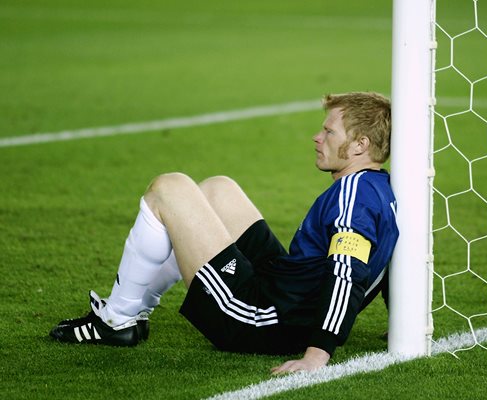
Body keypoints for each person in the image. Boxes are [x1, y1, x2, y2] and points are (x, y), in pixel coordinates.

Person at [50, 91, 399, 374]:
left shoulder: (353, 196)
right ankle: (135, 310)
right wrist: (401, 319)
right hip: (289, 291)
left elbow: (346, 272)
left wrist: (318, 353)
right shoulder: (380, 187)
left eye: (329, 132)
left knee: (168, 188)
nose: (317, 137)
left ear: (359, 145)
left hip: (262, 318)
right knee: (219, 188)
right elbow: (390, 258)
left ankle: (116, 320)